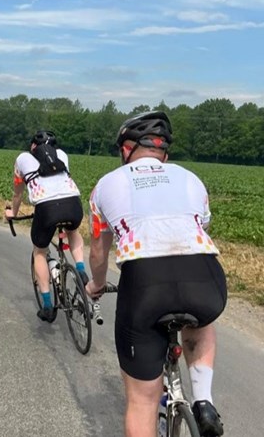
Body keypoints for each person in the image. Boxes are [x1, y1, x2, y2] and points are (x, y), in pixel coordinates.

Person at [86, 111, 227, 437]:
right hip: (203, 273)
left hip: (145, 282)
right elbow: (200, 228)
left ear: (126, 149)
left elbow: (98, 252)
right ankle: (203, 400)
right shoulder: (191, 178)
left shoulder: (106, 185)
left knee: (142, 401)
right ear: (164, 152)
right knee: (200, 317)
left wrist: (96, 284)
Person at [4, 130, 89, 323]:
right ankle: (81, 269)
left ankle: (48, 306)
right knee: (72, 231)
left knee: (40, 252)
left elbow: (18, 193)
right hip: (73, 203)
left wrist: (13, 214)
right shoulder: (62, 155)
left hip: (46, 208)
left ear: (33, 146)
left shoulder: (22, 159)